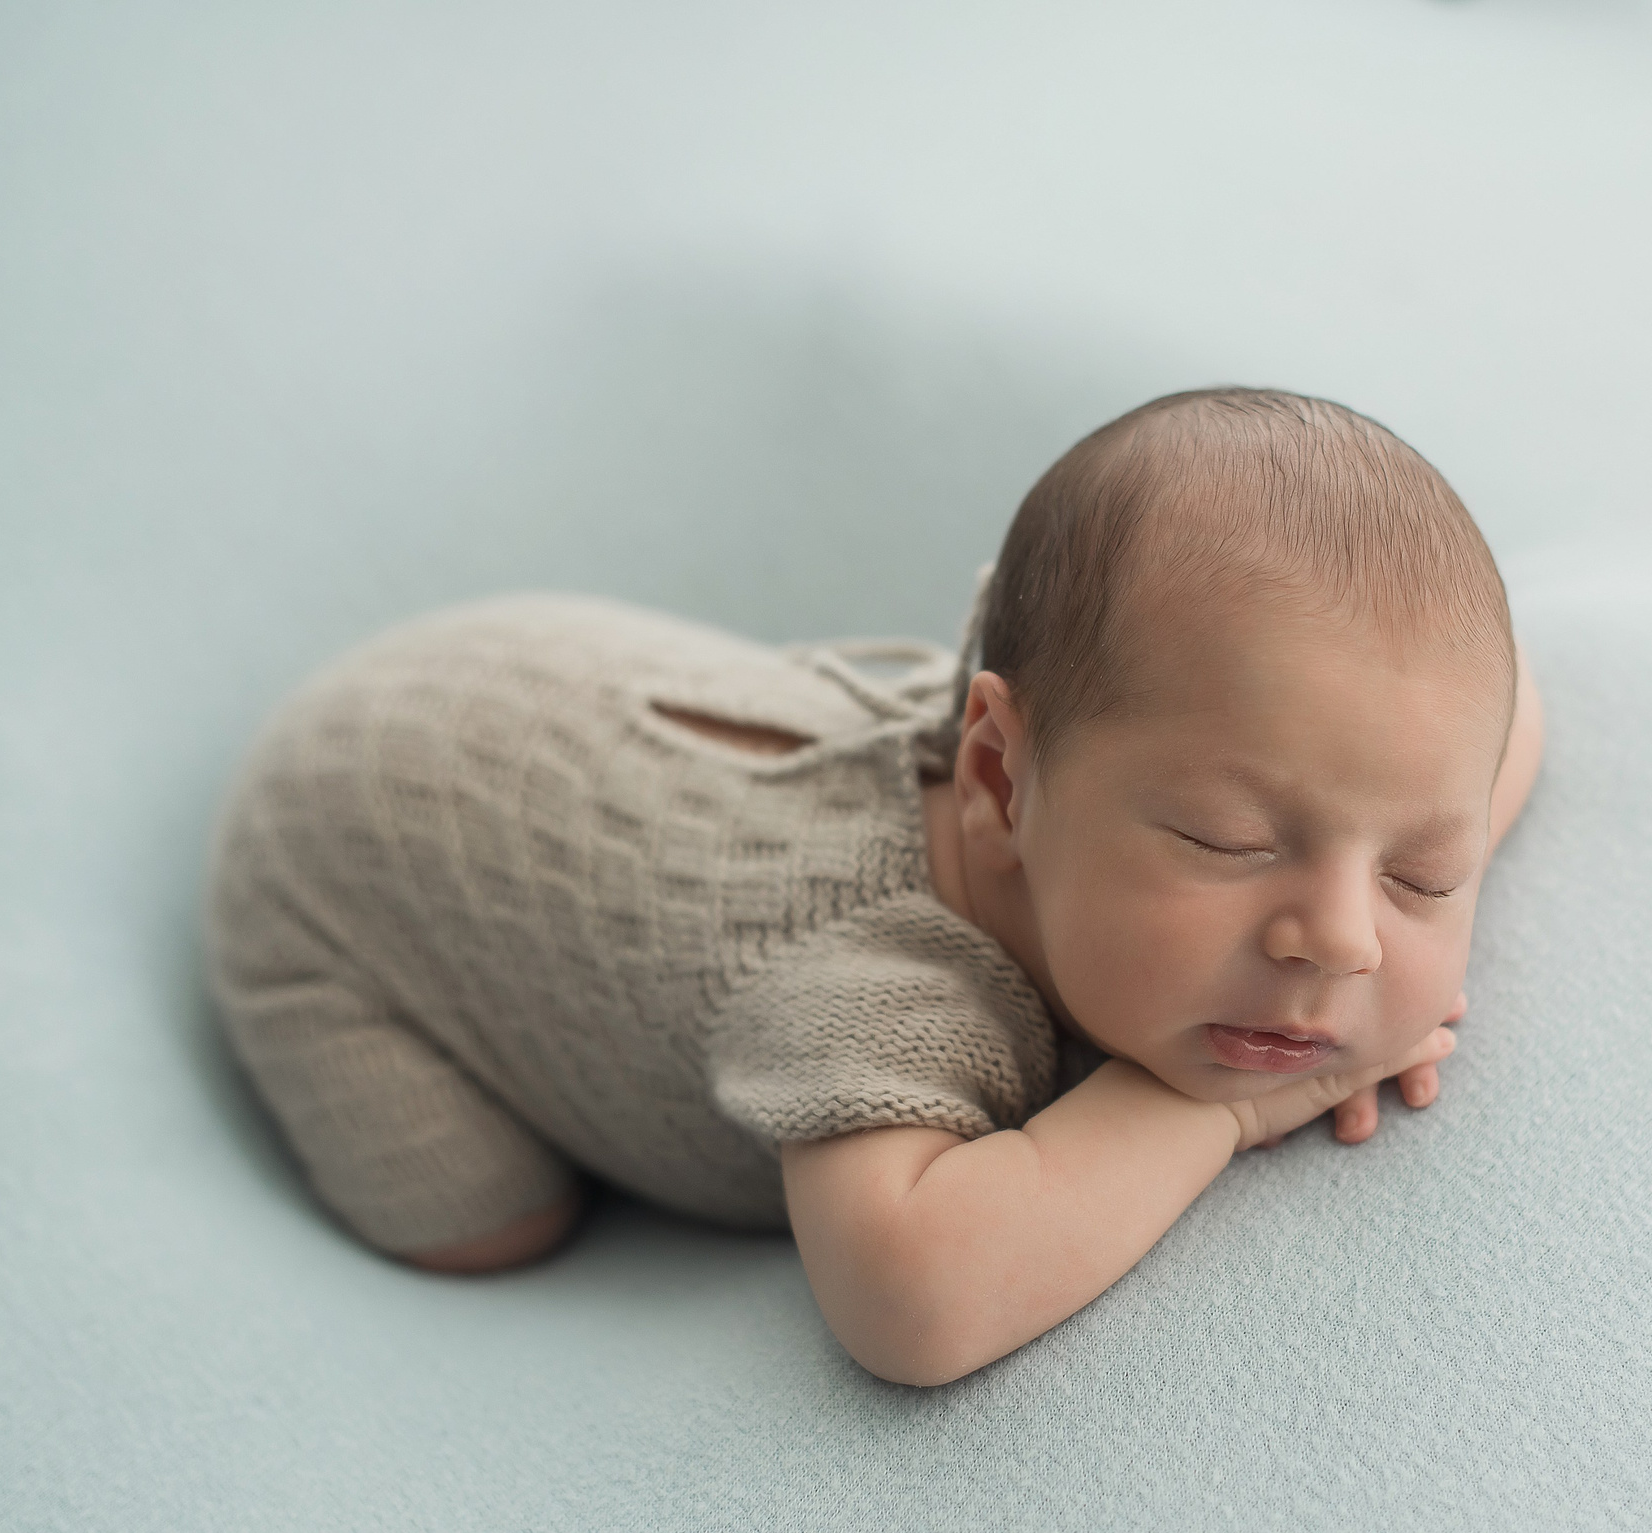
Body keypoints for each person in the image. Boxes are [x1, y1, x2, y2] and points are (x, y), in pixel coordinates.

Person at [202, 388, 1545, 1386]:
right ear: (998, 774)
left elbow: (1501, 716)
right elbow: (914, 1303)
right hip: (341, 871)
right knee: (491, 1226)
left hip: (542, 688)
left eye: (1422, 873)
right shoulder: (883, 991)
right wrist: (1219, 1113)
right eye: (1230, 840)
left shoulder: (1127, 734)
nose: (1342, 941)